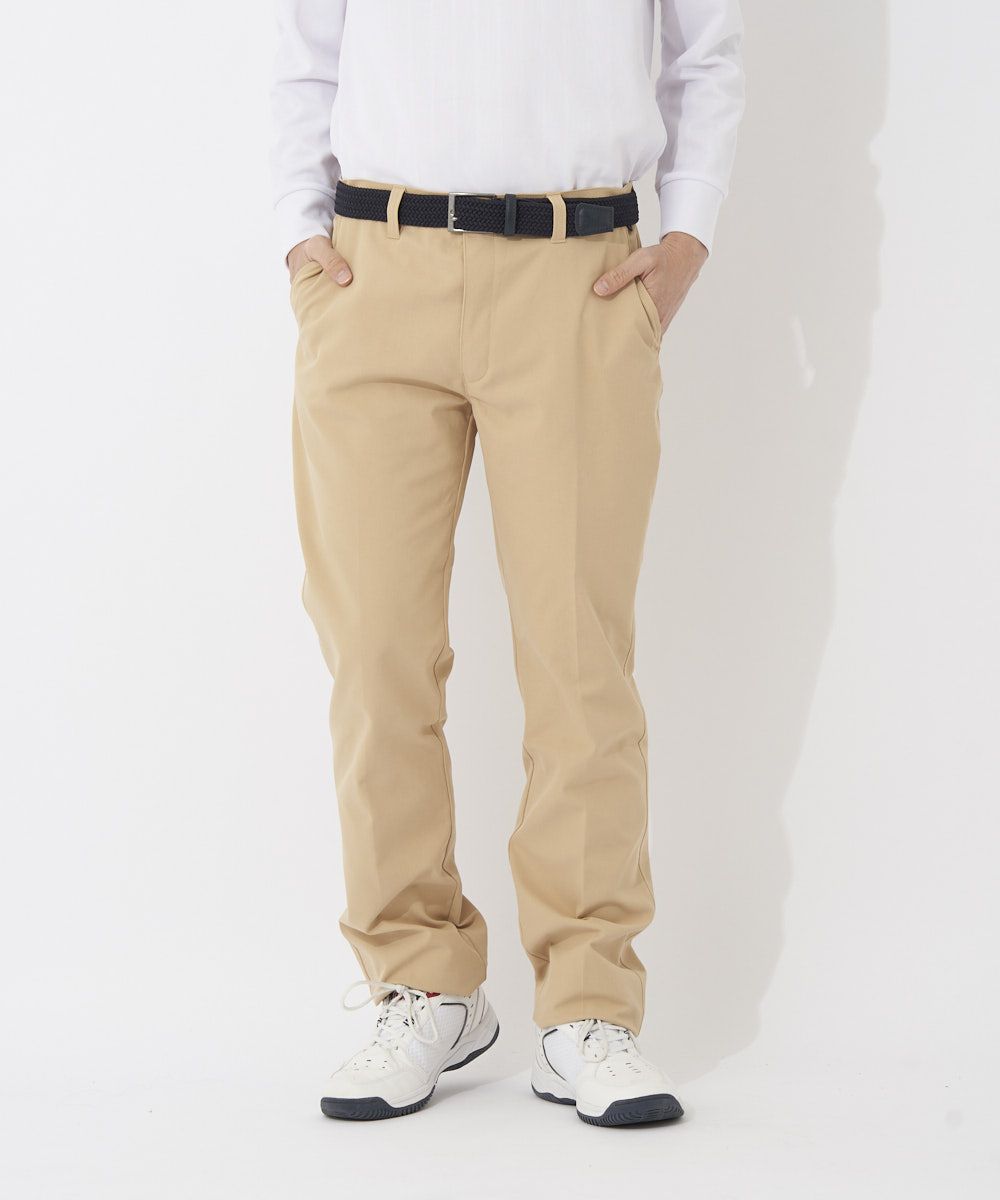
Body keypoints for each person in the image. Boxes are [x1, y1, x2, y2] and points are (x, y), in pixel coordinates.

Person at [271, 0, 744, 1127]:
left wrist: (688, 232)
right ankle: (420, 978)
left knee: (578, 660)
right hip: (373, 274)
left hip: (579, 277)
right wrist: (295, 229)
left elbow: (707, 50)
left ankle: (587, 1003)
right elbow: (304, 49)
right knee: (375, 653)